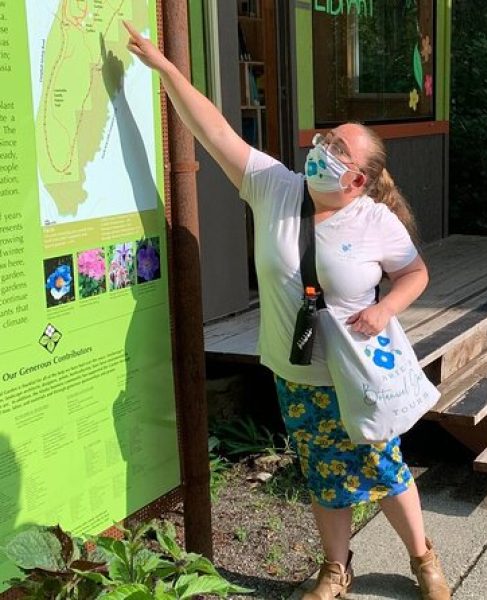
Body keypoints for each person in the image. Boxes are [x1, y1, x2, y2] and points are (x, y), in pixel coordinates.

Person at [123, 22, 450, 600]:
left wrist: (386, 309)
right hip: (296, 370)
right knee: (322, 473)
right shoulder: (274, 186)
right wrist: (167, 70)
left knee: (387, 470)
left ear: (357, 179)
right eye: (325, 139)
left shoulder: (376, 220)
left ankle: (424, 558)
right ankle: (335, 569)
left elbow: (415, 273)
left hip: (360, 374)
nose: (321, 150)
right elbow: (215, 129)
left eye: (337, 150)